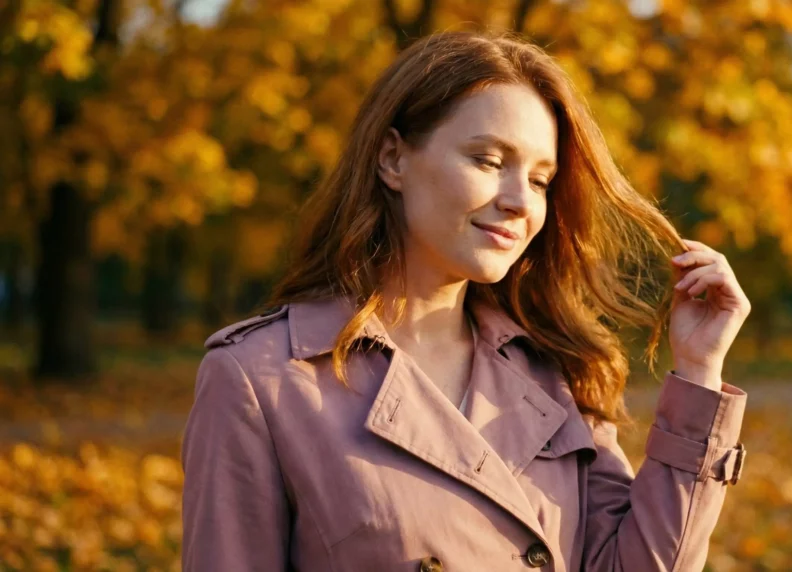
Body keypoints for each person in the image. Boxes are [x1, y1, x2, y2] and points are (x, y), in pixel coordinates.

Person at [181, 30, 751, 572]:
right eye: (489, 161)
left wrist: (699, 370)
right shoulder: (263, 380)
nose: (518, 202)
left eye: (540, 180)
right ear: (392, 159)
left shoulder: (552, 371)